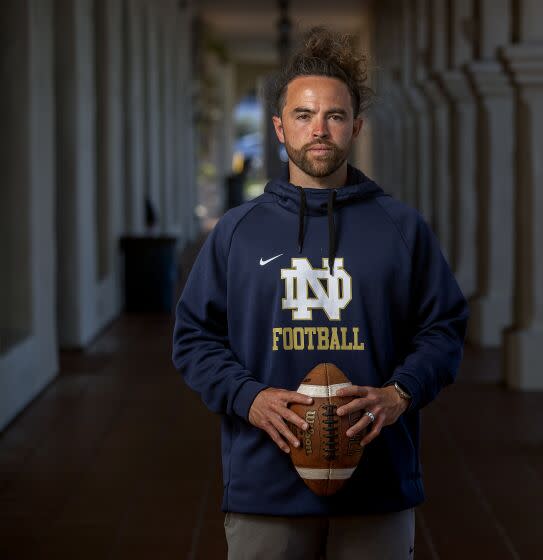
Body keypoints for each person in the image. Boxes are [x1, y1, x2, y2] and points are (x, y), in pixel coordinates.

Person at [172, 27, 468, 560]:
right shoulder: (237, 232)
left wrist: (399, 393)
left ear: (355, 126)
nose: (319, 130)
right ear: (279, 128)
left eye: (334, 116)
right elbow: (193, 338)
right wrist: (250, 398)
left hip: (378, 485)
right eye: (304, 116)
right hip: (265, 484)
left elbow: (444, 328)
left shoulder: (401, 227)